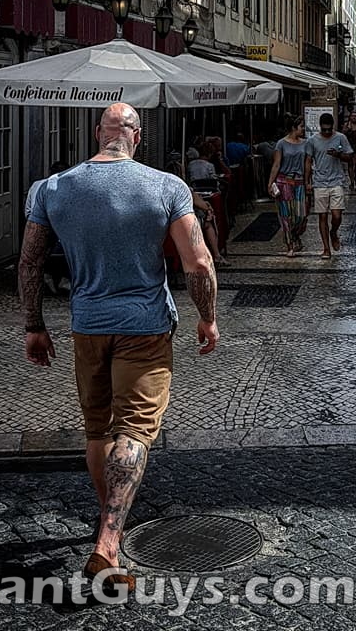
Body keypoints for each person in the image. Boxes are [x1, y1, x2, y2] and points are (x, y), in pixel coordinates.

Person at [20, 103, 218, 594]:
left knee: (97, 429)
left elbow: (28, 264)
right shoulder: (166, 187)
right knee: (133, 429)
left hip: (87, 327)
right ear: (136, 136)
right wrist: (208, 318)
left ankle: (110, 521)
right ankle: (109, 543)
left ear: (97, 134)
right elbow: (197, 264)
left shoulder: (51, 189)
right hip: (145, 328)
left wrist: (34, 326)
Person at [305, 113, 353, 258]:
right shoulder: (312, 140)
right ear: (320, 127)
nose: (327, 132)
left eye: (329, 129)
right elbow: (308, 160)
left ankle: (333, 232)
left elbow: (350, 156)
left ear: (333, 127)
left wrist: (338, 155)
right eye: (324, 130)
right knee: (322, 217)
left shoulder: (340, 137)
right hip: (319, 182)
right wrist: (307, 181)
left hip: (336, 180)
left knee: (337, 215)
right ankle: (326, 248)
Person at [25, 160, 72, 295]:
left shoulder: (36, 185)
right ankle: (65, 278)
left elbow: (28, 211)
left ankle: (48, 275)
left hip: (34, 233)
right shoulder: (64, 189)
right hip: (52, 234)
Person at [266, 114, 308, 257]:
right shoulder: (281, 144)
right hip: (284, 182)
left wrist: (309, 181)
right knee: (285, 215)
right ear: (293, 128)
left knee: (301, 216)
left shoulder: (305, 143)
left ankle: (295, 235)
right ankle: (289, 245)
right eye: (301, 126)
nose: (304, 129)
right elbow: (276, 164)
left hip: (300, 182)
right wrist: (270, 183)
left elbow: (308, 164)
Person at [343, 110, 356, 193]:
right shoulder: (346, 125)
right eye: (352, 115)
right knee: (350, 164)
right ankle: (352, 181)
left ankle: (355, 176)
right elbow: (343, 135)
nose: (354, 117)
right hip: (349, 146)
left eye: (355, 116)